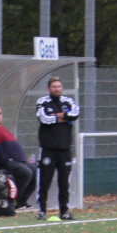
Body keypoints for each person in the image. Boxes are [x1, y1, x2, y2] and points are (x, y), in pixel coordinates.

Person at [34, 76, 80, 221]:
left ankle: (64, 211)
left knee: (64, 182)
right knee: (44, 181)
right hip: (48, 148)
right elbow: (44, 118)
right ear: (49, 88)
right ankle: (42, 211)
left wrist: (58, 116)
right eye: (54, 87)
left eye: (58, 86)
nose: (56, 89)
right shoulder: (43, 101)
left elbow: (75, 114)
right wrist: (64, 118)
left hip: (65, 148)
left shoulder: (68, 101)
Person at [0, 107, 37, 210]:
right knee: (25, 172)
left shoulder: (1, 128)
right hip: (4, 163)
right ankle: (13, 201)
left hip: (18, 161)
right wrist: (7, 160)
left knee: (36, 170)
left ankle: (21, 202)